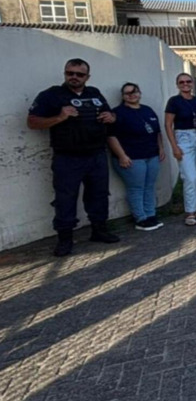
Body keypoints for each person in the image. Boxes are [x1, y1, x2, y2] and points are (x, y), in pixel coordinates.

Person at [27, 59, 120, 256]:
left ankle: (99, 230)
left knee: (99, 195)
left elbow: (110, 114)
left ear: (87, 77)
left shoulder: (94, 93)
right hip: (68, 157)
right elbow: (32, 122)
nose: (74, 77)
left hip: (96, 154)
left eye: (79, 74)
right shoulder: (51, 95)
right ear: (65, 73)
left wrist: (111, 117)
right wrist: (60, 117)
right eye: (70, 73)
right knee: (65, 199)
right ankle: (65, 239)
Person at [107, 82, 165, 231]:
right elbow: (111, 136)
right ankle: (140, 218)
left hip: (151, 155)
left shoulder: (147, 110)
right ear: (123, 96)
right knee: (136, 188)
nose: (132, 95)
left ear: (140, 93)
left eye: (135, 91)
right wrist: (121, 156)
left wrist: (161, 148)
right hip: (132, 157)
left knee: (149, 186)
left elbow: (157, 132)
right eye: (128, 93)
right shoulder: (118, 113)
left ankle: (151, 215)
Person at [165, 72, 196, 226]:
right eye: (181, 82)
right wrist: (174, 146)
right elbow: (168, 125)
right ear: (177, 85)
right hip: (183, 137)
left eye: (188, 81)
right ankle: (189, 212)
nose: (185, 84)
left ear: (192, 83)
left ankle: (195, 209)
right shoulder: (174, 101)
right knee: (190, 177)